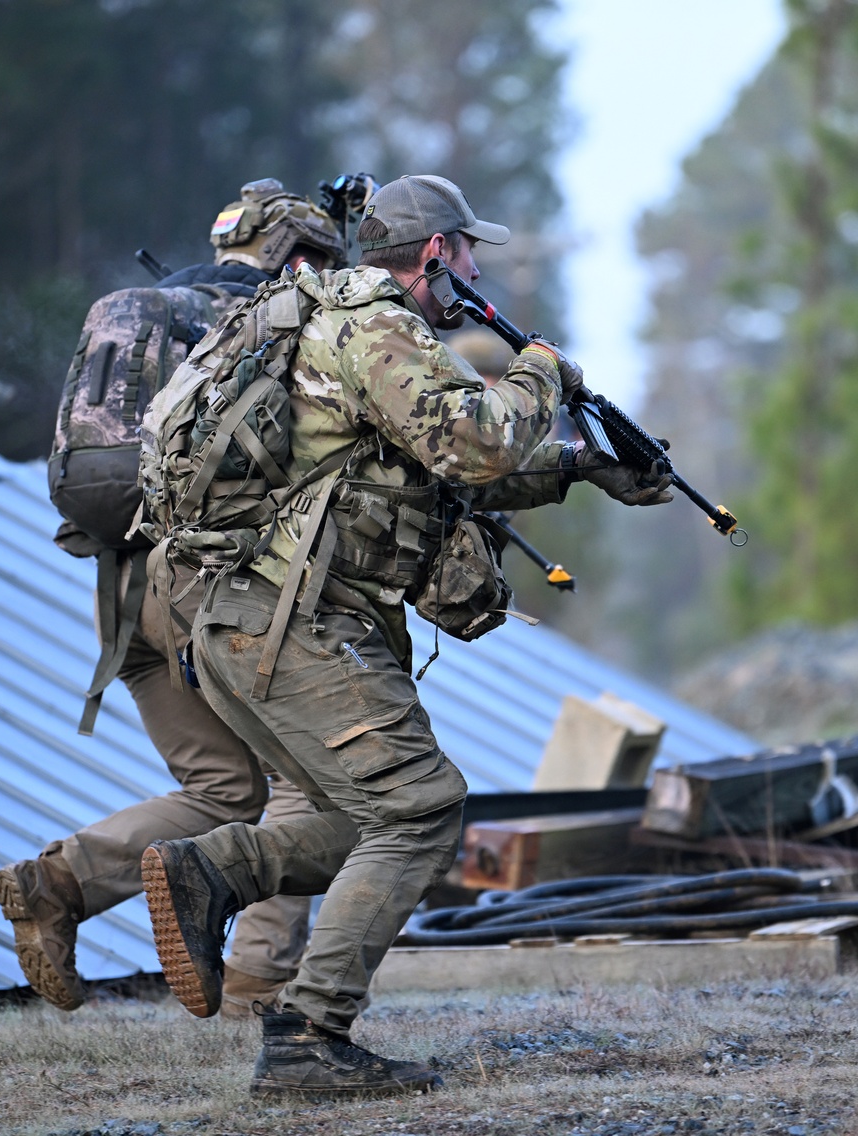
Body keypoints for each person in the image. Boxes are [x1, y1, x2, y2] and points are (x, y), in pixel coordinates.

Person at [136, 174, 674, 1097]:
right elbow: (478, 443)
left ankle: (211, 870)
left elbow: (428, 477)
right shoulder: (372, 323)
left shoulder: (327, 326)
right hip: (288, 619)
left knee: (358, 823)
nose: (476, 269)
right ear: (439, 256)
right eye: (471, 252)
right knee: (422, 808)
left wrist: (584, 467)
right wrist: (543, 369)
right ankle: (308, 1037)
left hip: (239, 616)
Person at [0, 179, 349, 1019]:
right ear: (295, 258)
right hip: (205, 588)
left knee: (223, 794)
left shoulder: (146, 317)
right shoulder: (274, 326)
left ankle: (58, 882)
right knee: (309, 784)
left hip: (121, 597)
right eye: (324, 266)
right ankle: (261, 989)